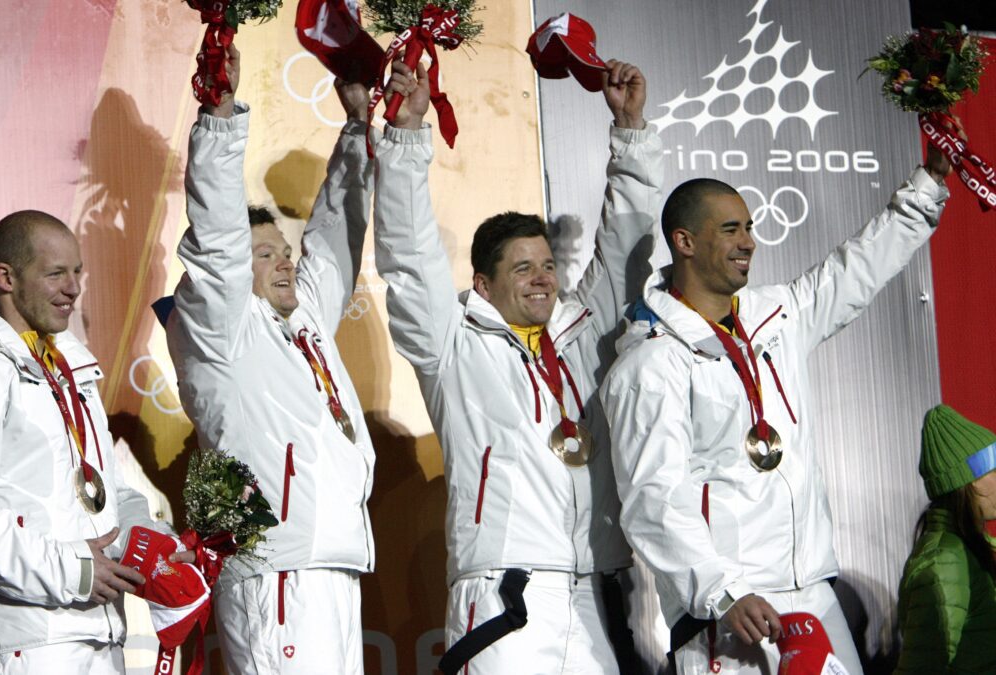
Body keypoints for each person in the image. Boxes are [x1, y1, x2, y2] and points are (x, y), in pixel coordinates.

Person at [599, 139, 952, 673]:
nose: (749, 241)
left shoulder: (776, 317)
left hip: (812, 589)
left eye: (749, 227)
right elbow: (655, 498)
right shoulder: (650, 365)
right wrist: (722, 592)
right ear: (684, 241)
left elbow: (854, 269)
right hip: (734, 605)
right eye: (731, 229)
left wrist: (925, 189)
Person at [373, 59, 663, 673]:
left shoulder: (584, 330)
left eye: (548, 266)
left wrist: (631, 131)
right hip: (505, 592)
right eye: (523, 269)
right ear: (482, 283)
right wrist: (405, 138)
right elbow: (408, 254)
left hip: (597, 590)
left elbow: (625, 249)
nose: (543, 279)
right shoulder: (453, 344)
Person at [162, 45, 377, 673]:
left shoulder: (304, 321)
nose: (286, 261)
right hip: (276, 572)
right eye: (264, 254)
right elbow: (216, 239)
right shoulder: (222, 330)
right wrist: (221, 124)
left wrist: (359, 128)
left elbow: (336, 236)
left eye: (285, 251)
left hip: (334, 562)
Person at [0, 210, 166, 674]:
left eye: (77, 272)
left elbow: (101, 491)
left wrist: (152, 545)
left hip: (99, 628)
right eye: (55, 274)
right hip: (24, 640)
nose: (73, 288)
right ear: (5, 277)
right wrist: (73, 571)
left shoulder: (69, 366)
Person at [895, 404, 996, 674]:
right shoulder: (944, 560)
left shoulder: (978, 549)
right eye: (994, 469)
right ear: (971, 480)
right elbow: (921, 667)